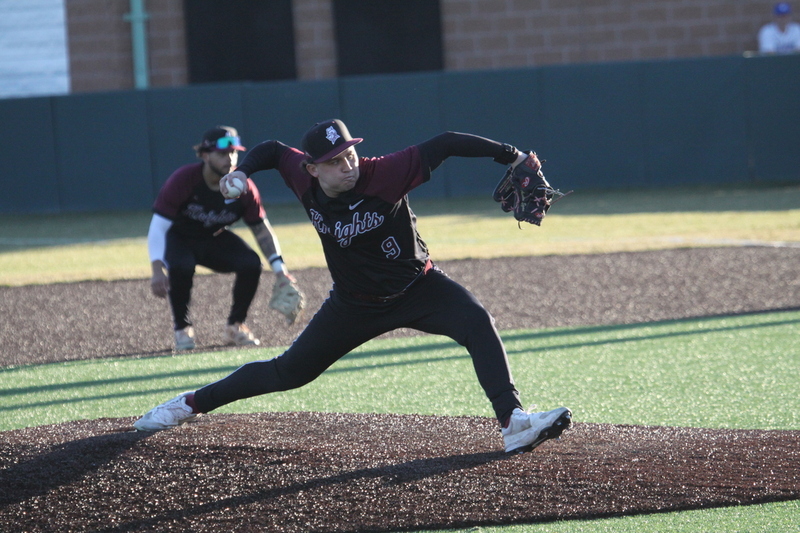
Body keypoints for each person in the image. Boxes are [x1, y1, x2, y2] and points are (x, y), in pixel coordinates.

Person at [135, 119, 572, 454]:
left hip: (419, 287)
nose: (348, 165)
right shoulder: (302, 178)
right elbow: (270, 150)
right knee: (290, 372)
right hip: (353, 304)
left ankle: (513, 422)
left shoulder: (386, 172)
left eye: (350, 155)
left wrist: (511, 155)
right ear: (312, 168)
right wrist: (244, 171)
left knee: (477, 321)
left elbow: (445, 143)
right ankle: (189, 404)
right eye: (335, 161)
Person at [147, 125, 303, 351]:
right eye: (222, 153)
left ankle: (235, 326)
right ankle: (182, 329)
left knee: (251, 263)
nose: (229, 158)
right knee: (182, 266)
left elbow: (262, 230)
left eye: (233, 152)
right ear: (204, 154)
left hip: (213, 238)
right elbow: (158, 227)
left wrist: (280, 270)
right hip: (179, 239)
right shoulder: (184, 180)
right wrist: (156, 268)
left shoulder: (245, 187)